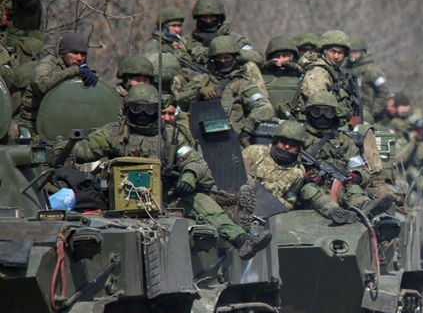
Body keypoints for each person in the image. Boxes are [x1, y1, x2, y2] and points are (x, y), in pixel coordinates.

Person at [68, 84, 271, 260]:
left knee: (202, 203)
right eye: (137, 109)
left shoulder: (172, 136)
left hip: (166, 198)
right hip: (120, 198)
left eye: (148, 110)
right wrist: (62, 150)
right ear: (127, 109)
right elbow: (83, 150)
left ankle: (242, 240)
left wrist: (189, 177)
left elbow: (194, 160)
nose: (142, 114)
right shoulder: (114, 133)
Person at [298, 91, 393, 224]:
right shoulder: (299, 137)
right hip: (309, 189)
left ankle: (366, 206)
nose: (322, 116)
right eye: (317, 111)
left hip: (339, 187)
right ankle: (335, 212)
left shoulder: (343, 140)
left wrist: (357, 176)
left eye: (328, 112)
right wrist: (304, 177)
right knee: (310, 190)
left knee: (353, 188)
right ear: (309, 113)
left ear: (334, 115)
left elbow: (360, 167)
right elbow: (287, 165)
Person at [178, 35, 274, 147]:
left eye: (227, 57)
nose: (223, 61)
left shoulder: (242, 84)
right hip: (201, 143)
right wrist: (199, 92)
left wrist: (247, 129)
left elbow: (264, 107)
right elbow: (179, 101)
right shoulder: (202, 79)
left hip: (232, 143)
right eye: (219, 58)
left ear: (234, 58)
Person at [18, 32, 98, 135]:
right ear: (62, 53)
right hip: (33, 126)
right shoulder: (48, 64)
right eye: (74, 52)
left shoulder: (81, 69)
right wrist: (73, 71)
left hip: (64, 125)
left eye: (83, 54)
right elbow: (41, 85)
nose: (79, 58)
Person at [177, 0, 264, 70]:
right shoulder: (187, 41)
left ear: (219, 18)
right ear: (198, 19)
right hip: (198, 82)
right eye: (204, 17)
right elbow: (178, 62)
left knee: (250, 67)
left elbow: (259, 59)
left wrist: (229, 53)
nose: (208, 21)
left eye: (212, 17)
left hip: (232, 82)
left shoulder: (235, 39)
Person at [242, 120, 306, 209]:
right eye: (283, 141)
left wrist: (270, 198)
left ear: (299, 148)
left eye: (293, 144)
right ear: (276, 141)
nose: (287, 147)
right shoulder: (254, 152)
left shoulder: (298, 171)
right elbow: (236, 176)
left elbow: (289, 204)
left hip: (268, 211)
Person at [298, 30, 358, 118]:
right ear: (324, 51)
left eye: (340, 53)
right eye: (333, 52)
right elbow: (319, 104)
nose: (336, 57)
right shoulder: (317, 72)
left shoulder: (336, 74)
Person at [344, 35, 392, 121]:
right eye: (351, 52)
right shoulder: (345, 70)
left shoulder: (371, 70)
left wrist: (372, 112)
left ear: (363, 52)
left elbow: (385, 92)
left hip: (369, 116)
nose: (353, 55)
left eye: (356, 52)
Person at [261, 35, 304, 119]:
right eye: (277, 56)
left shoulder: (300, 77)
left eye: (285, 56)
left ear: (292, 58)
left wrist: (295, 67)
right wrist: (265, 66)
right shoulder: (262, 77)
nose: (281, 59)